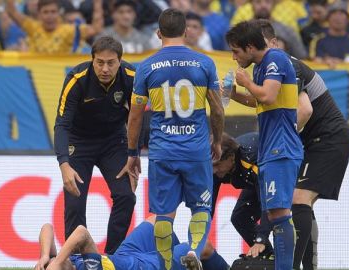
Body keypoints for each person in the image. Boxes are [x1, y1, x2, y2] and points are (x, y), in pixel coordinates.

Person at [119, 8, 224, 270]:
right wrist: (218, 141)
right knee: (201, 207)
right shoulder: (204, 63)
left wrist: (132, 152)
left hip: (162, 151)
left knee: (163, 213)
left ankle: (166, 265)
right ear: (187, 32)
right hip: (196, 149)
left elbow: (135, 117)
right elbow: (218, 108)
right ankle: (193, 251)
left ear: (158, 34)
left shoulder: (146, 67)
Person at [225, 20, 303, 270]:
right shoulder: (261, 67)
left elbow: (267, 94)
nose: (233, 56)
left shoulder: (275, 58)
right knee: (275, 215)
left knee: (280, 215)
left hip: (281, 147)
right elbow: (262, 101)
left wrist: (246, 82)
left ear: (250, 47)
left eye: (236, 51)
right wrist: (235, 94)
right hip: (270, 148)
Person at [53, 36, 136, 255]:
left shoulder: (132, 77)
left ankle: (112, 258)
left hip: (113, 142)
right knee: (74, 201)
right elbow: (61, 124)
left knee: (127, 196)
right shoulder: (76, 79)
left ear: (120, 61)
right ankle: (78, 260)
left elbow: (140, 118)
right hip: (79, 143)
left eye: (111, 63)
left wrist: (133, 153)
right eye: (99, 62)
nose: (105, 68)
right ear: (92, 60)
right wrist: (64, 165)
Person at [36, 216, 192, 270]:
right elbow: (81, 233)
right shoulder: (92, 267)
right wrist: (58, 261)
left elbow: (47, 228)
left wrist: (45, 256)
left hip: (125, 254)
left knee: (157, 221)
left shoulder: (61, 261)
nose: (53, 261)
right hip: (140, 266)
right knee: (194, 250)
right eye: (57, 264)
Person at [5, 0, 103, 53]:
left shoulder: (69, 31)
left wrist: (97, 3)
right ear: (39, 14)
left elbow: (96, 28)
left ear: (59, 13)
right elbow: (12, 11)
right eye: (45, 12)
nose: (50, 16)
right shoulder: (32, 27)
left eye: (53, 12)